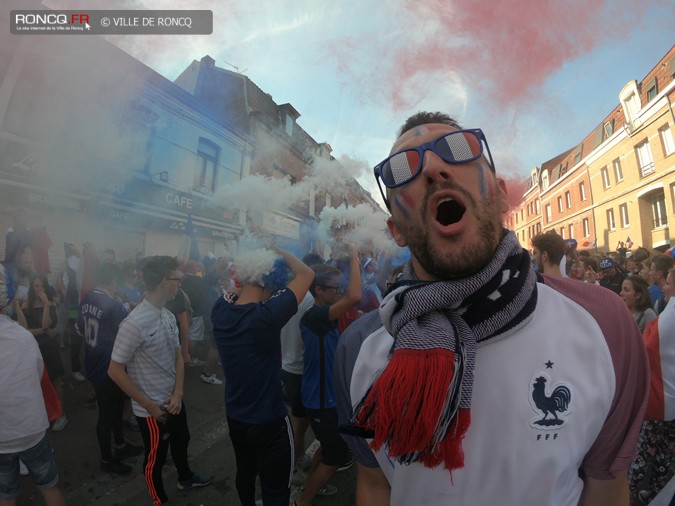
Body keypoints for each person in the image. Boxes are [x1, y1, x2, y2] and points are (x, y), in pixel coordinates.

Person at [334, 112, 649, 505]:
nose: (432, 167)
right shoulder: (360, 348)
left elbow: (607, 489)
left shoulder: (604, 322)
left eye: (459, 149)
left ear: (500, 195)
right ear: (396, 229)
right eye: (402, 168)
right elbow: (375, 484)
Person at [212, 246, 314, 506]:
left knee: (245, 472)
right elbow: (306, 273)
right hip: (269, 420)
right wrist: (275, 250)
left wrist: (253, 266)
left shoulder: (219, 308)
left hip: (236, 415)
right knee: (276, 488)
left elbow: (236, 290)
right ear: (269, 283)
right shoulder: (267, 316)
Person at [108, 256, 213, 506]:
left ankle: (185, 478)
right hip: (153, 409)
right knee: (155, 457)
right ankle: (159, 499)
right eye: (179, 280)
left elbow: (178, 356)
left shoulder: (166, 314)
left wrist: (178, 394)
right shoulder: (134, 323)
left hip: (173, 400)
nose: (181, 284)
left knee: (182, 440)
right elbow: (114, 370)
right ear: (165, 282)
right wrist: (149, 405)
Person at [295, 245, 361, 506]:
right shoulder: (315, 316)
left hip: (328, 396)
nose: (340, 292)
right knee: (336, 455)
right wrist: (355, 257)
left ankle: (312, 484)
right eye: (335, 288)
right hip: (320, 400)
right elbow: (355, 296)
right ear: (318, 290)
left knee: (329, 445)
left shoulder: (323, 314)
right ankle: (303, 501)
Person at [0, 264, 66, 506]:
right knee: (49, 485)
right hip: (31, 429)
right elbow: (36, 374)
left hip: (1, 436)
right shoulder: (23, 337)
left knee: (6, 494)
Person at [75, 262, 143, 475]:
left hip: (94, 361)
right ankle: (106, 460)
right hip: (109, 366)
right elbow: (129, 334)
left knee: (114, 409)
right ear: (113, 281)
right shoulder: (113, 304)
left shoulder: (86, 299)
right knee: (106, 414)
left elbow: (79, 329)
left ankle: (121, 446)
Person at [629, 268, 675, 504]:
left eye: (668, 283)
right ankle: (655, 491)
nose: (665, 287)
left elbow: (648, 345)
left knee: (643, 452)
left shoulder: (668, 317)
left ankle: (627, 494)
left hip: (660, 399)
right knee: (666, 453)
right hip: (669, 400)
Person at [19, 273, 68, 432]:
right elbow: (25, 330)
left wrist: (46, 304)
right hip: (33, 347)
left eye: (41, 286)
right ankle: (44, 412)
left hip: (49, 347)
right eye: (36, 286)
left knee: (56, 379)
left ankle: (60, 414)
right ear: (32, 288)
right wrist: (43, 331)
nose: (39, 289)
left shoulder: (51, 303)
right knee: (37, 381)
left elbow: (47, 324)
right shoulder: (26, 305)